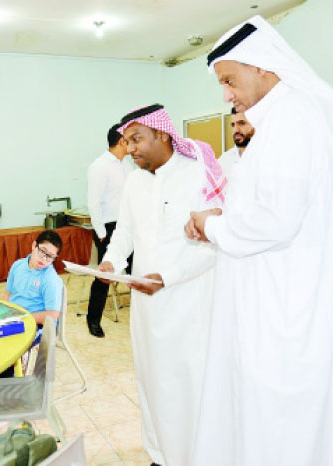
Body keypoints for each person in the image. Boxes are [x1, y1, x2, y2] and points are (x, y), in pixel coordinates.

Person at [185, 15, 333, 466]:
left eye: (229, 81)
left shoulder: (294, 117)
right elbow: (275, 204)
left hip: (285, 306)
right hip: (278, 293)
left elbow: (274, 220)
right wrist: (226, 216)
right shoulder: (284, 118)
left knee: (280, 422)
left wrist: (211, 225)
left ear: (261, 65)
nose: (227, 95)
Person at [98, 104, 226, 466]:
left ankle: (195, 455)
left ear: (163, 134)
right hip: (146, 304)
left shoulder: (197, 174)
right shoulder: (135, 181)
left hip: (188, 301)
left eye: (137, 139)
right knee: (152, 381)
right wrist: (112, 261)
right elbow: (124, 231)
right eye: (127, 141)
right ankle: (160, 454)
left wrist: (167, 278)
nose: (131, 148)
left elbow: (216, 244)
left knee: (188, 383)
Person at [86, 123, 134, 337]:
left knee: (136, 271)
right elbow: (93, 202)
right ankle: (93, 320)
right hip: (108, 227)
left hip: (130, 225)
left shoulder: (127, 165)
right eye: (129, 139)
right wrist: (101, 233)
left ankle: (143, 316)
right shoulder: (100, 166)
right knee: (104, 276)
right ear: (121, 141)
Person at [6, 230, 65, 328]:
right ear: (34, 246)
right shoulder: (17, 265)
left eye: (50, 256)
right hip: (14, 318)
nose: (44, 259)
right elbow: (7, 294)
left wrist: (25, 319)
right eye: (42, 251)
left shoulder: (51, 279)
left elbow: (53, 314)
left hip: (37, 324)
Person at [218, 107, 255, 180]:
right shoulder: (224, 160)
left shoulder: (267, 156)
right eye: (233, 125)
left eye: (241, 123)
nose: (235, 130)